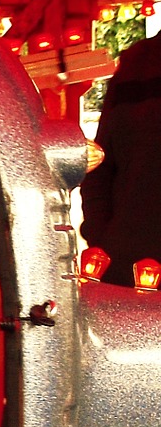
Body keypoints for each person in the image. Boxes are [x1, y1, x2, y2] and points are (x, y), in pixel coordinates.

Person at [80, 31, 161, 287]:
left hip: (129, 263)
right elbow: (101, 164)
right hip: (130, 265)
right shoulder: (139, 61)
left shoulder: (141, 62)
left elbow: (100, 167)